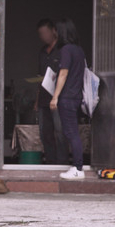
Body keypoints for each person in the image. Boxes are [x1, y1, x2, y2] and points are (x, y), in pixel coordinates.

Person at [49, 18, 86, 180]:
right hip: (76, 96)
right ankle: (77, 167)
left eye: (56, 30)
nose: (54, 33)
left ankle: (78, 168)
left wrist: (55, 97)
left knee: (71, 133)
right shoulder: (78, 50)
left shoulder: (66, 50)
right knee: (72, 132)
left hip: (67, 97)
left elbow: (63, 73)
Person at [34, 19, 68, 165]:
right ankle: (51, 161)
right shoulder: (42, 52)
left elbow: (65, 74)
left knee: (60, 131)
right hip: (43, 98)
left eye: (45, 33)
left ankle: (62, 162)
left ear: (54, 31)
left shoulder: (63, 50)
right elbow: (40, 78)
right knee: (44, 132)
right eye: (40, 34)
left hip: (58, 98)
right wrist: (36, 101)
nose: (43, 36)